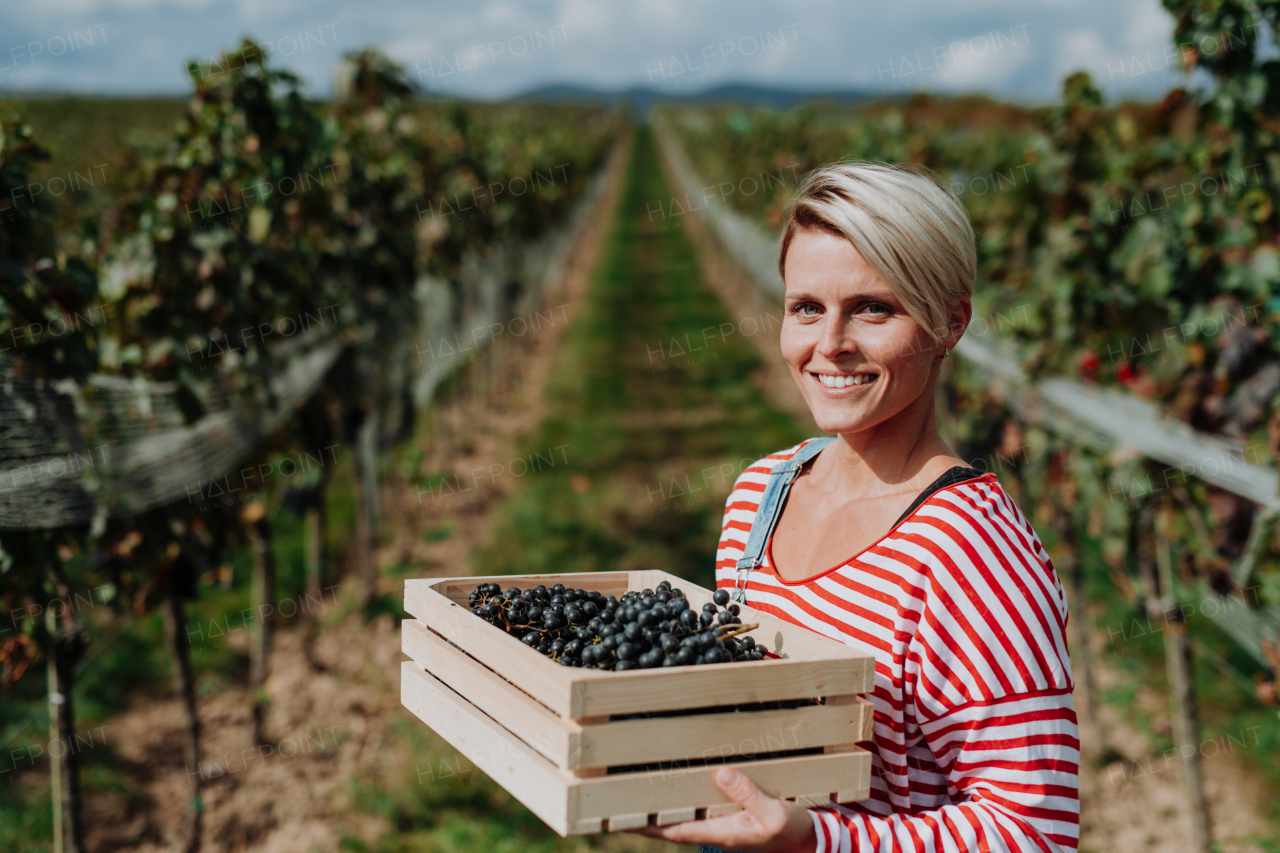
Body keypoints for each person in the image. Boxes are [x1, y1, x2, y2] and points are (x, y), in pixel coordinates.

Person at [633, 162, 1079, 852]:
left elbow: (1034, 832)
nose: (830, 344)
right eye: (806, 307)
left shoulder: (971, 550)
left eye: (873, 308)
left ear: (949, 322)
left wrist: (818, 838)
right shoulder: (760, 494)